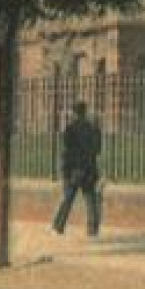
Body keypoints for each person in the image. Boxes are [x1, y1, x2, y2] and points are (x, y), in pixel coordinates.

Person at [52, 101, 103, 237]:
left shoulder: (70, 129)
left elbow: (68, 150)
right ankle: (92, 230)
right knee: (91, 200)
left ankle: (58, 226)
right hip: (89, 168)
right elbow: (98, 150)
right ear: (85, 112)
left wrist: (65, 170)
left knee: (67, 199)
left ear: (74, 113)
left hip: (74, 168)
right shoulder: (94, 129)